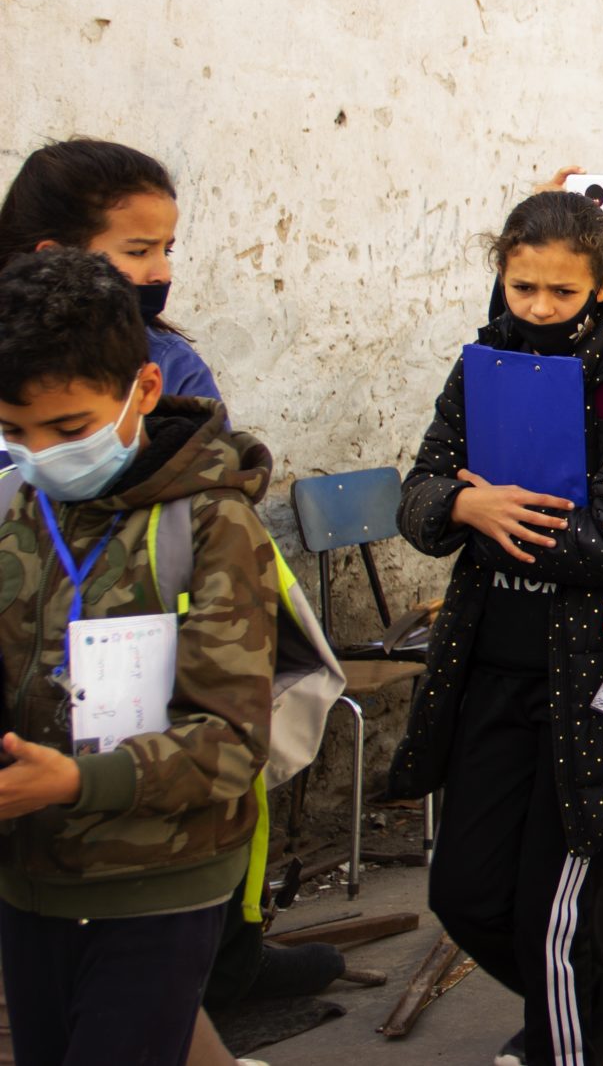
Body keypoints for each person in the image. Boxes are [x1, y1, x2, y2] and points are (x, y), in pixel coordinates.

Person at [387, 192, 603, 1066]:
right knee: (464, 893)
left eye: (562, 291)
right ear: (501, 277)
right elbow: (419, 494)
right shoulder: (483, 360)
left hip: (588, 685)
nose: (542, 308)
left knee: (550, 917)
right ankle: (595, 1004)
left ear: (599, 283)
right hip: (487, 670)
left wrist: (503, 523)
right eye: (524, 289)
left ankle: (568, 1033)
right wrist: (466, 501)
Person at [0, 250, 275, 1066]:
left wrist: (83, 780)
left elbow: (231, 739)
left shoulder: (211, 526)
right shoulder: (22, 511)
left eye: (68, 427)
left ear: (143, 390)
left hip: (163, 875)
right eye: (14, 432)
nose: (42, 453)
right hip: (29, 875)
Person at [0, 139, 224, 409]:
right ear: (53, 257)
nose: (162, 274)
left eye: (167, 251)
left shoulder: (172, 366)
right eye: (139, 252)